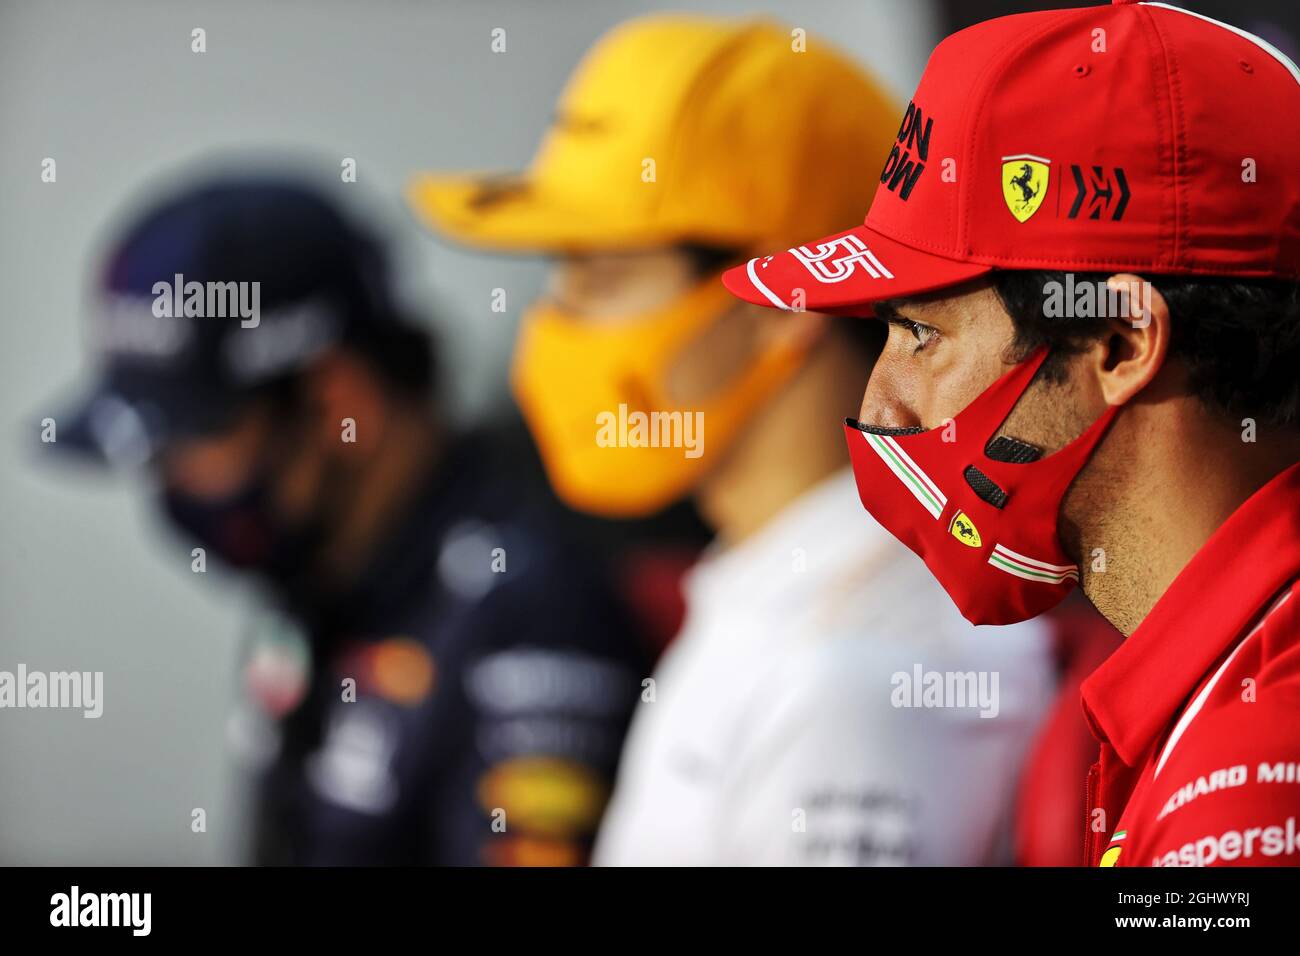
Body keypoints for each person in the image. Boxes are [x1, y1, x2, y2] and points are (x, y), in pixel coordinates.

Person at [409, 15, 1055, 865]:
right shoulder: (771, 590)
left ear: (784, 301)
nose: (547, 329)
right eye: (555, 276)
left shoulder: (858, 672)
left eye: (601, 277)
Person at [724, 0, 1300, 867]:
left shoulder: (1249, 776)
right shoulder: (1213, 689)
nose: (880, 405)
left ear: (1119, 342)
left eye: (922, 333)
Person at [45, 174, 648, 865]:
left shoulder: (530, 612)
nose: (170, 485)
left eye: (191, 441)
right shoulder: (323, 587)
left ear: (339, 406)